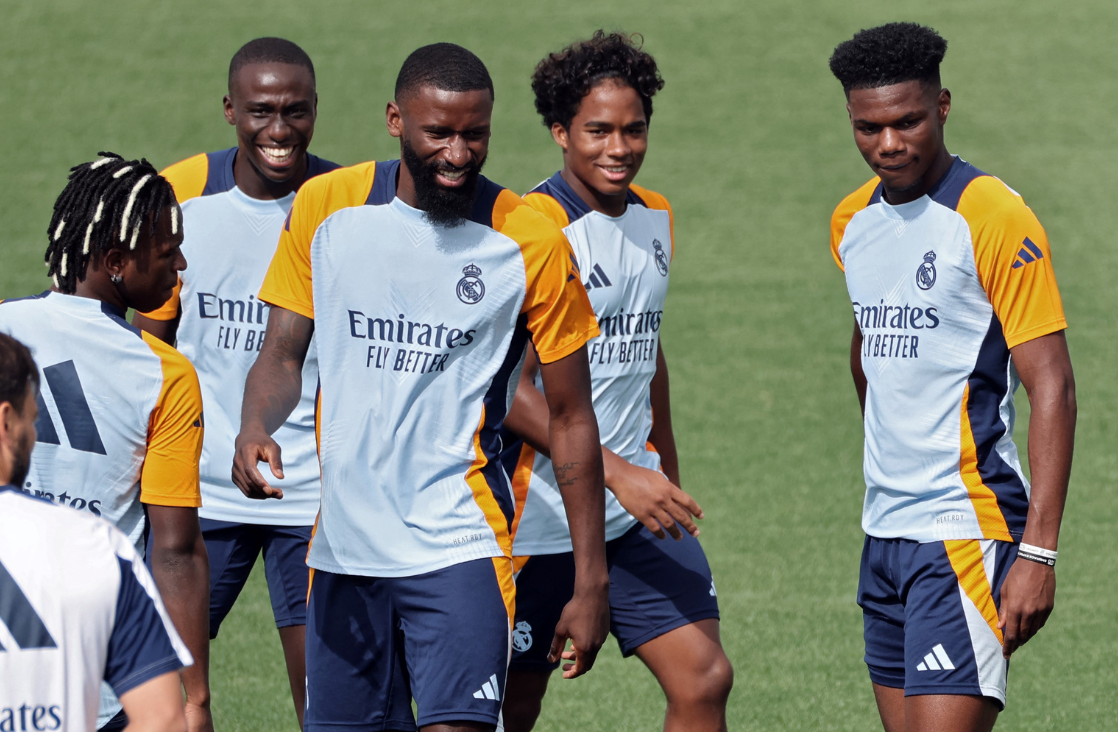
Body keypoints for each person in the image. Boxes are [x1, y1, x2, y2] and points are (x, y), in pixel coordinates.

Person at [234, 42, 610, 732]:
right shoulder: (327, 208)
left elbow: (572, 417)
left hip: (460, 546)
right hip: (344, 550)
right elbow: (282, 354)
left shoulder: (529, 239)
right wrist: (255, 424)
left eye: (476, 134)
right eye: (438, 132)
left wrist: (592, 582)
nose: (458, 154)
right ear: (395, 121)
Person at [0, 153, 213, 732]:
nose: (180, 266)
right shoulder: (164, 373)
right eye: (167, 253)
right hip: (97, 687)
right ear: (116, 262)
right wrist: (195, 700)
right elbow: (174, 552)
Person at [827, 23, 1076, 732]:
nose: (889, 144)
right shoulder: (852, 221)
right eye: (867, 128)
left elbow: (1052, 384)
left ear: (941, 105)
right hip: (884, 534)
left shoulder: (993, 216)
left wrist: (1037, 552)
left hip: (966, 528)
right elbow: (867, 346)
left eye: (906, 121)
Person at [500, 31, 733, 732]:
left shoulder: (654, 215)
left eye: (634, 130)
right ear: (559, 131)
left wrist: (659, 469)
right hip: (531, 519)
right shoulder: (529, 229)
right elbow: (505, 390)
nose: (619, 148)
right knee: (514, 705)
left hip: (632, 509)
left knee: (704, 678)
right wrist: (617, 471)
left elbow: (645, 351)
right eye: (597, 130)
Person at [133, 37, 337, 724]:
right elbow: (149, 349)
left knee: (332, 705)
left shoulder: (348, 206)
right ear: (230, 110)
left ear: (315, 111)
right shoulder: (178, 194)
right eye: (260, 111)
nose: (279, 131)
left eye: (295, 111)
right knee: (165, 698)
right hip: (194, 495)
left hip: (315, 500)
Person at [0, 329, 191, 732]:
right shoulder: (94, 547)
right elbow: (163, 719)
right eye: (32, 418)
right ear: (4, 422)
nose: (34, 432)